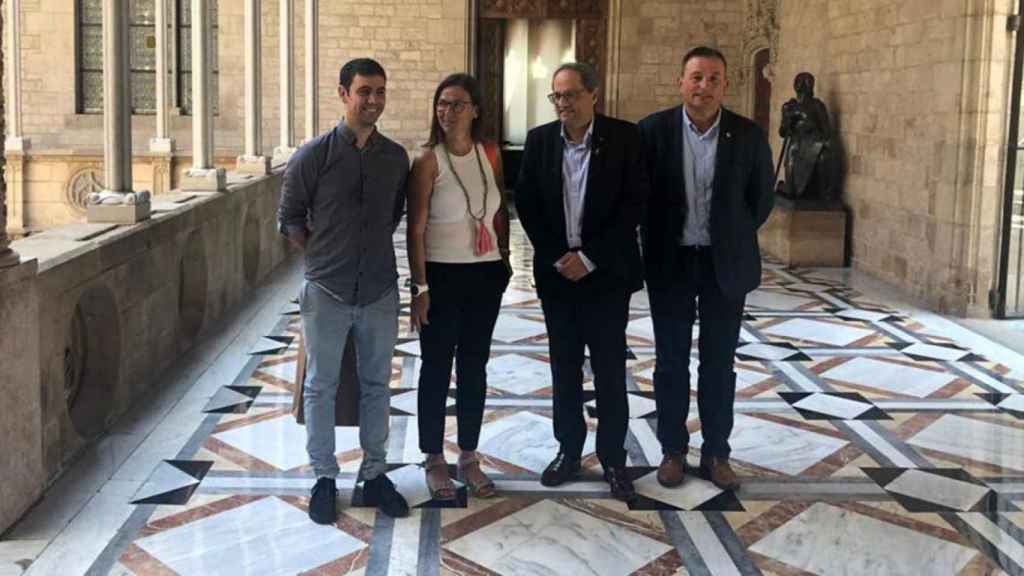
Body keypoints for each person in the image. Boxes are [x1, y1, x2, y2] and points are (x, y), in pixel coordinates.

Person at [278, 57, 410, 524]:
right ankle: (324, 478)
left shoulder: (395, 158)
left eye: (380, 91)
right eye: (364, 91)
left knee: (377, 385)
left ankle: (374, 475)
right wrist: (322, 256)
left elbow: (393, 214)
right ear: (343, 94)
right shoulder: (313, 155)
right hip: (326, 291)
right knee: (320, 386)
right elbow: (290, 217)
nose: (373, 100)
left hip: (378, 289)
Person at [638, 46, 774, 491]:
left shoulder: (748, 135)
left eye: (713, 78)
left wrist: (729, 233)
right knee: (671, 361)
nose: (704, 86)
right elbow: (638, 196)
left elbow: (760, 200)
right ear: (681, 82)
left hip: (724, 265)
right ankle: (673, 451)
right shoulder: (652, 132)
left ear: (725, 85)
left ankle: (717, 452)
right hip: (671, 262)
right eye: (696, 77)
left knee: (719, 363)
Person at [515, 62, 648, 501]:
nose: (563, 104)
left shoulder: (625, 138)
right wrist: (560, 257)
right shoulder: (538, 142)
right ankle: (568, 451)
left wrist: (589, 258)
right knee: (564, 367)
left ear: (594, 95)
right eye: (557, 96)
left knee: (610, 370)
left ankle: (613, 460)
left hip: (606, 275)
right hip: (558, 277)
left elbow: (634, 205)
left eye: (571, 95)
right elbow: (529, 204)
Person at [407, 73, 511, 501]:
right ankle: (433, 458)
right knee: (435, 369)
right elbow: (414, 230)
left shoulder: (491, 153)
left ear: (476, 110)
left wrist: (502, 259)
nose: (447, 112)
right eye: (442, 104)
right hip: (442, 276)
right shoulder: (428, 161)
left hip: (485, 276)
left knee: (475, 367)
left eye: (457, 104)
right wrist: (419, 288)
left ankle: (468, 456)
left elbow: (500, 208)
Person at [779, 72, 834, 200]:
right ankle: (791, 188)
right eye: (800, 83)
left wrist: (811, 126)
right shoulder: (788, 106)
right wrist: (788, 121)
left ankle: (824, 192)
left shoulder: (817, 105)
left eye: (807, 84)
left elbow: (826, 131)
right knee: (793, 153)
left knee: (823, 156)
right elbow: (782, 133)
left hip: (813, 141)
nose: (804, 87)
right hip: (796, 141)